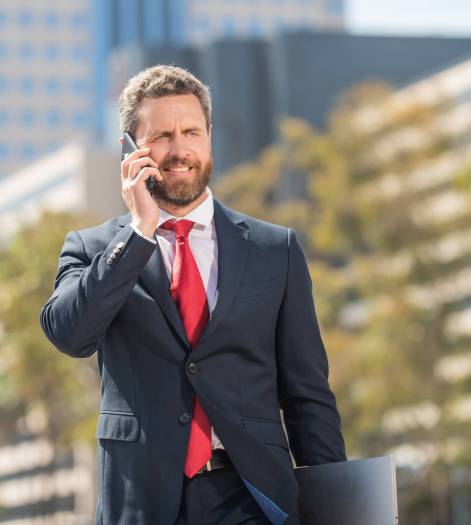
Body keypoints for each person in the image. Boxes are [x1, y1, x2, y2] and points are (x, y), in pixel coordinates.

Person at [40, 65, 346, 525]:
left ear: (209, 137)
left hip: (252, 496)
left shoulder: (273, 249)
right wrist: (140, 231)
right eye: (162, 135)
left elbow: (307, 395)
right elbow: (70, 335)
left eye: (191, 132)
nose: (180, 150)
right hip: (141, 500)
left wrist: (335, 507)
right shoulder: (95, 248)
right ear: (130, 146)